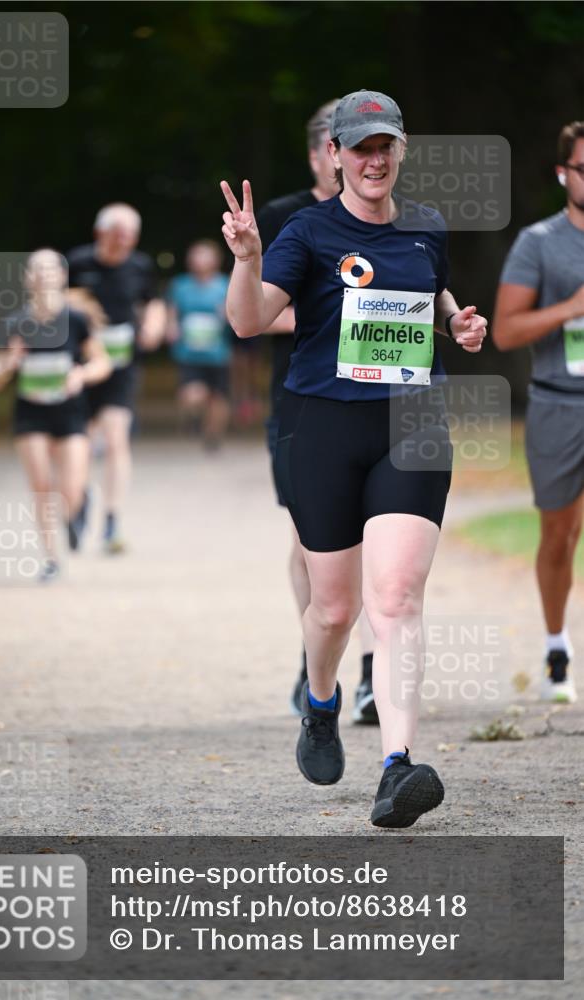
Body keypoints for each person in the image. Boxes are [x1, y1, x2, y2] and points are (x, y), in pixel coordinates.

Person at [220, 89, 487, 828]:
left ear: (400, 151)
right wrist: (247, 259)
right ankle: (320, 700)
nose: (374, 159)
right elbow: (246, 321)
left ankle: (398, 767)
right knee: (332, 609)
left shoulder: (428, 226)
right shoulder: (305, 232)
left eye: (386, 146)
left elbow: (431, 292)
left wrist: (456, 322)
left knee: (395, 596)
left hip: (411, 422)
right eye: (360, 146)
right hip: (323, 427)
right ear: (333, 155)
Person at [257, 99, 378, 723]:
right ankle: (316, 657)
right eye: (345, 145)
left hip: (380, 401)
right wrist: (332, 315)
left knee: (382, 540)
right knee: (313, 541)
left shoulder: (391, 218)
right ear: (319, 153)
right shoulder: (283, 217)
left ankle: (370, 676)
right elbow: (252, 317)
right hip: (301, 400)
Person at [493, 121, 584, 704]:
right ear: (563, 173)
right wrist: (572, 306)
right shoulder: (539, 242)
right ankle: (556, 643)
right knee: (559, 536)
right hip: (560, 402)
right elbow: (504, 331)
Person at [0, 249, 111, 582]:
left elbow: (102, 363)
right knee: (41, 486)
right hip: (31, 414)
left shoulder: (75, 320)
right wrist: (8, 365)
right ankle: (52, 558)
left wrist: (80, 375)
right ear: (28, 278)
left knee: (68, 489)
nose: (42, 274)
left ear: (61, 276)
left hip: (70, 413)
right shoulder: (15, 323)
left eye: (49, 268)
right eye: (35, 269)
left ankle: (81, 500)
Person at [67, 203, 165, 553]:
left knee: (115, 436)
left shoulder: (139, 266)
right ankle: (78, 503)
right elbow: (58, 302)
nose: (123, 243)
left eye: (130, 237)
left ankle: (111, 518)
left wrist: (154, 324)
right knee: (80, 441)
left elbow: (152, 301)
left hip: (122, 366)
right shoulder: (77, 263)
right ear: (100, 234)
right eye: (117, 236)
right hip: (81, 366)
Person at [166, 239, 231, 450]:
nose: (200, 261)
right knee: (194, 393)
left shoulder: (225, 284)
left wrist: (228, 314)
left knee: (218, 397)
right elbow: (172, 312)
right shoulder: (180, 285)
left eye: (205, 256)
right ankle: (193, 418)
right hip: (188, 351)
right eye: (196, 256)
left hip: (218, 351)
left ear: (215, 260)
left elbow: (237, 312)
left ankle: (213, 436)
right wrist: (171, 326)